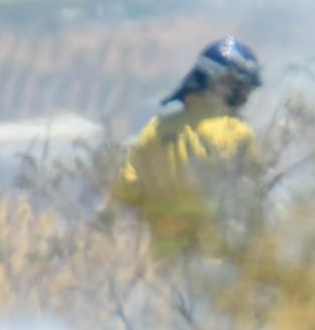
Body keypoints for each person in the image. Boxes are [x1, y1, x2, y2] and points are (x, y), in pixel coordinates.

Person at [112, 37, 264, 252]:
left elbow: (126, 190)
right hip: (219, 256)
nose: (244, 97)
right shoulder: (237, 132)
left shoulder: (157, 129)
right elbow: (254, 194)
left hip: (165, 259)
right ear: (221, 83)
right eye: (241, 89)